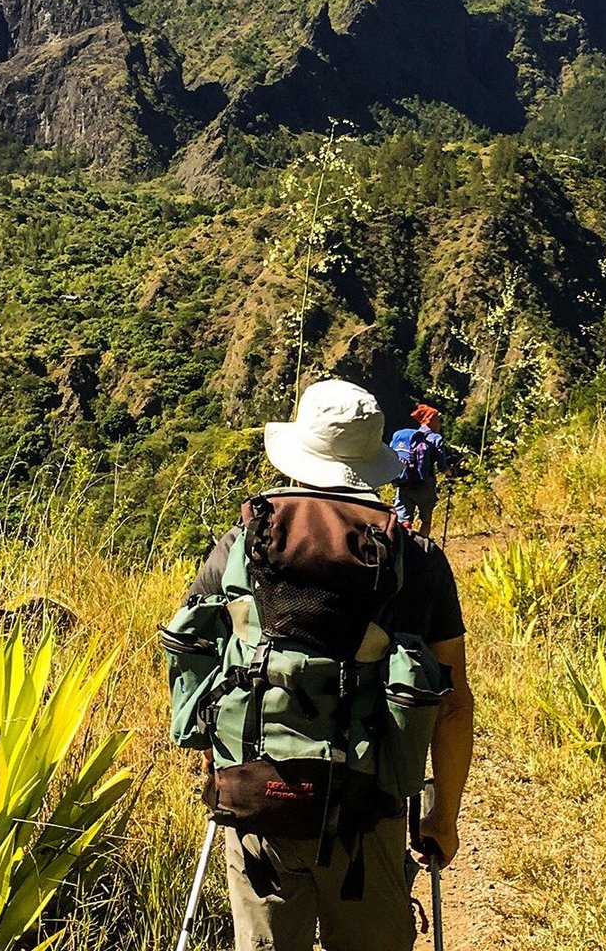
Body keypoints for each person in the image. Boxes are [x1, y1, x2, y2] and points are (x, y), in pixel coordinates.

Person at [179, 380, 473, 951]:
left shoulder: (241, 545)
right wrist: (444, 819)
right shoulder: (417, 560)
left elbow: (199, 659)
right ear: (371, 462)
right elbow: (453, 705)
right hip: (370, 809)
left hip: (256, 798)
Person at [391, 404, 449, 538]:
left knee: (403, 520)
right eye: (438, 420)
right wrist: (451, 473)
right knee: (426, 520)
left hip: (404, 484)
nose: (440, 424)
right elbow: (442, 467)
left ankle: (404, 547)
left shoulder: (410, 438)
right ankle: (421, 549)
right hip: (424, 486)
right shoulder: (435, 439)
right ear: (431, 420)